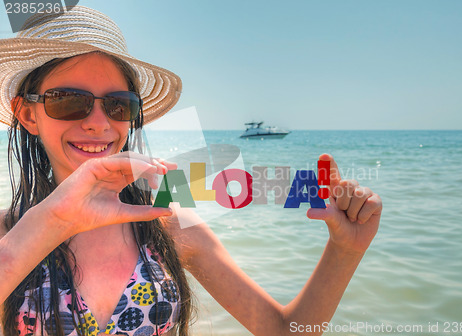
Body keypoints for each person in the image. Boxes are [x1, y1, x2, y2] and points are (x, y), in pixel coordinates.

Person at [0, 6, 382, 336]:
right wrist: (54, 220)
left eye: (119, 106)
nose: (99, 123)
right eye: (69, 101)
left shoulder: (168, 227)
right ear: (27, 113)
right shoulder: (8, 237)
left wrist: (345, 250)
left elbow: (284, 330)